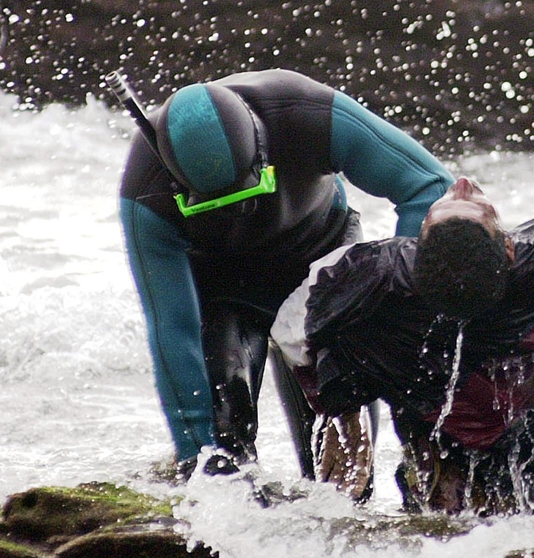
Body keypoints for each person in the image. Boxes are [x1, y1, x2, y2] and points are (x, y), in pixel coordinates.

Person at [118, 68, 454, 496]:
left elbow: (429, 186)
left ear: (263, 152)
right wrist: (194, 460)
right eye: (216, 205)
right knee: (220, 461)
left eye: (247, 194)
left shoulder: (305, 113)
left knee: (347, 484)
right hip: (224, 290)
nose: (238, 212)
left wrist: (387, 313)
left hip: (324, 262)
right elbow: (172, 329)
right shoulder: (146, 191)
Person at [270, 176, 534, 514]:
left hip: (467, 428)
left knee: (441, 526)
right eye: (482, 210)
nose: (462, 183)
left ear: (415, 248)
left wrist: (343, 412)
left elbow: (291, 335)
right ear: (508, 247)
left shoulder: (365, 274)